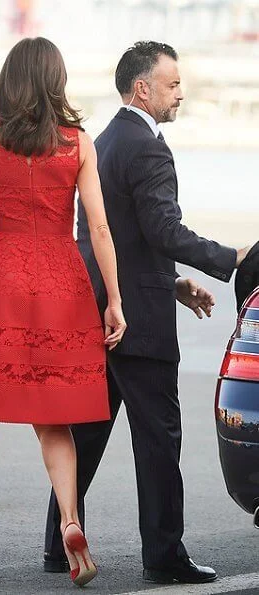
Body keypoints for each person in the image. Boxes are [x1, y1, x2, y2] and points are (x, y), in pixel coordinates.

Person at [44, 41, 252, 585]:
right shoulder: (150, 148)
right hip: (137, 322)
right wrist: (230, 257)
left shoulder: (106, 141)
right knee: (159, 438)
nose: (180, 93)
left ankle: (56, 544)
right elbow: (161, 228)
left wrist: (175, 282)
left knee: (85, 435)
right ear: (143, 88)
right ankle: (164, 556)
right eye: (173, 84)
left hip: (99, 307)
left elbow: (113, 233)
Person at [0, 37, 126, 586]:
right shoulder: (78, 143)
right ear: (55, 81)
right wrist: (114, 299)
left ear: (9, 82)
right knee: (54, 421)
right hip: (62, 282)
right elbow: (100, 229)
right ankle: (70, 523)